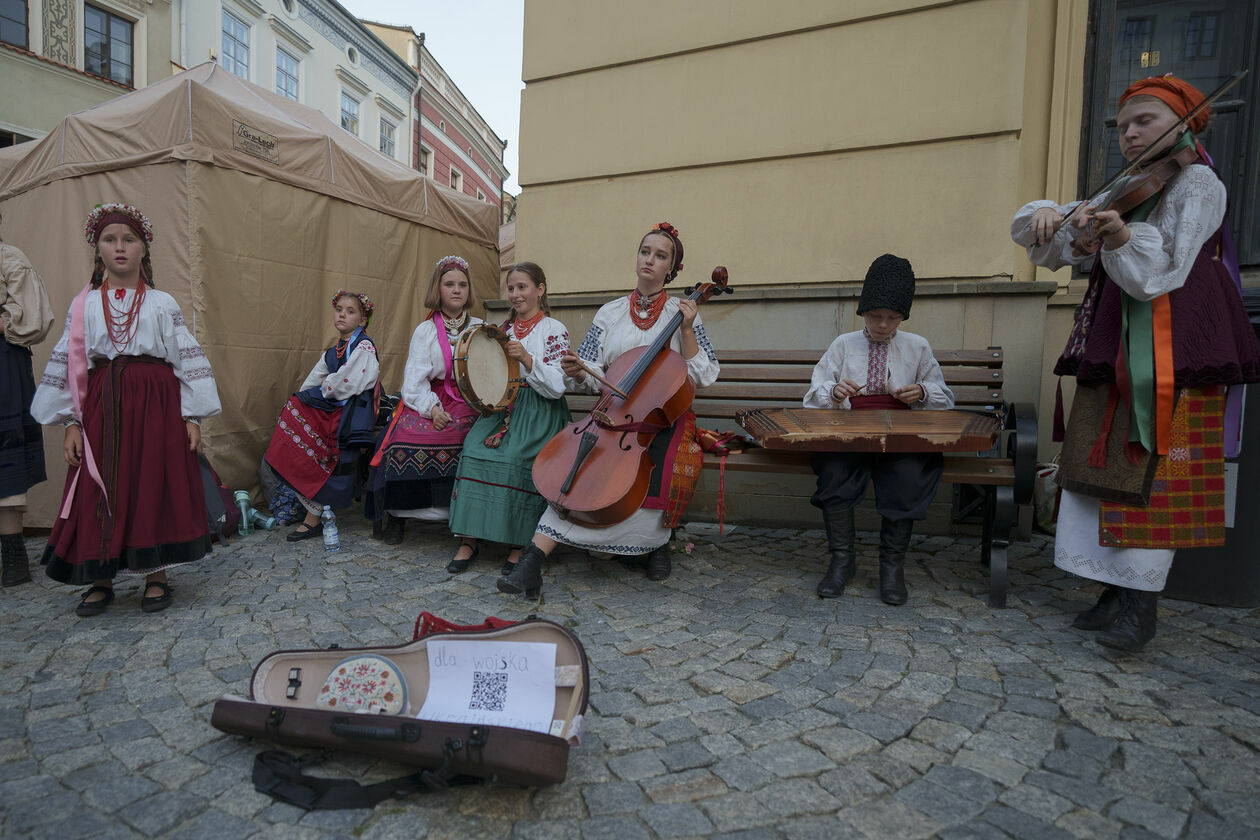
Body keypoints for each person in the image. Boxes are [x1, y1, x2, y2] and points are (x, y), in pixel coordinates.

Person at [1012, 74, 1260, 652]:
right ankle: (1112, 591)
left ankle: (1142, 604)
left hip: (1177, 342)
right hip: (1115, 338)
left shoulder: (1197, 182)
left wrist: (1121, 236)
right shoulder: (1126, 184)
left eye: (1143, 121)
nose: (1128, 132)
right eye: (1122, 125)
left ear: (1183, 123)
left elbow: (1163, 270)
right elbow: (1057, 247)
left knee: (1156, 471)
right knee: (1101, 459)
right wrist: (1052, 217)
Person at [498, 222, 720, 599]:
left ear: (672, 269)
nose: (649, 259)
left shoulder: (683, 313)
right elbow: (590, 371)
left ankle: (655, 545)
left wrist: (685, 330)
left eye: (660, 255)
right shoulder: (610, 312)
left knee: (663, 458)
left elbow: (703, 374)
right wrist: (578, 370)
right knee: (575, 464)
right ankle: (532, 561)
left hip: (660, 416)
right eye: (645, 251)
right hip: (611, 413)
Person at [30, 203, 222, 615]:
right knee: (99, 485)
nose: (119, 248)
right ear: (97, 248)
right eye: (110, 240)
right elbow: (70, 362)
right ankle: (100, 577)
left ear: (142, 249)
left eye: (128, 240)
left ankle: (156, 575)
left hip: (156, 402)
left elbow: (185, 358)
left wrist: (192, 415)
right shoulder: (83, 306)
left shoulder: (161, 303)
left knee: (152, 478)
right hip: (101, 404)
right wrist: (70, 422)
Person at [803, 254, 954, 604]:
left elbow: (944, 397)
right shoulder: (843, 345)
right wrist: (835, 391)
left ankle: (892, 567)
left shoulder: (917, 347)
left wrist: (921, 392)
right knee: (834, 469)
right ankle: (842, 561)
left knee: (908, 473)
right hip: (849, 429)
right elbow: (815, 391)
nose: (883, 325)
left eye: (892, 318)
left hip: (901, 433)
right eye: (875, 316)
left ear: (902, 317)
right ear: (863, 312)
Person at [446, 262, 572, 574]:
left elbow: (557, 387)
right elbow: (488, 375)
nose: (515, 294)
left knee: (516, 457)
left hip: (540, 411)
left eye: (522, 287)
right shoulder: (501, 331)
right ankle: (469, 537)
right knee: (474, 448)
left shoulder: (553, 330)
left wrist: (527, 359)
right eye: (511, 288)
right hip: (505, 408)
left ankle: (520, 541)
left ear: (540, 290)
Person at [368, 255, 482, 543]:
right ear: (437, 289)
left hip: (472, 398)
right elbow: (413, 383)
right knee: (406, 437)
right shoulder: (426, 330)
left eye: (462, 284)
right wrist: (432, 409)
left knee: (465, 435)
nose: (457, 290)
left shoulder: (480, 328)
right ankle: (399, 514)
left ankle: (460, 513)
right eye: (449, 284)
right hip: (430, 397)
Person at [265, 290, 379, 541]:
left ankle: (314, 516)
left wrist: (324, 389)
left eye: (350, 312)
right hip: (334, 407)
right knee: (292, 412)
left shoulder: (364, 346)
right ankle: (312, 510)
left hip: (349, 414)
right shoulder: (333, 351)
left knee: (324, 448)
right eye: (339, 309)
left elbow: (346, 383)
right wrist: (304, 403)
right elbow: (312, 382)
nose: (342, 315)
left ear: (362, 320)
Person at [1, 214, 55, 587]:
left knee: (6, 460)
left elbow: (33, 318)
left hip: (2, 362)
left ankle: (13, 554)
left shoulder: (8, 258)